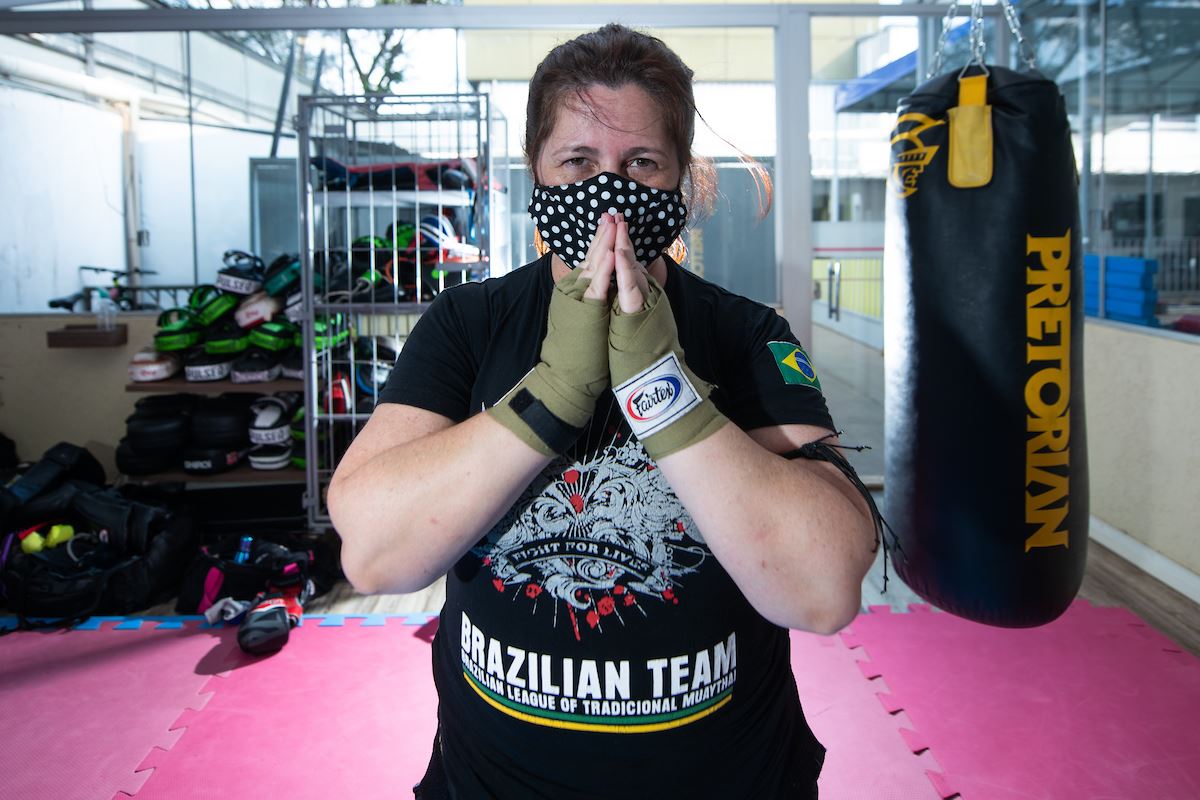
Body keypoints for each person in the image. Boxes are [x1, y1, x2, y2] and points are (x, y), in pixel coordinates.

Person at [328, 23, 881, 799]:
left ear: (682, 180)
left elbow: (823, 592)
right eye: (579, 163)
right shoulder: (469, 322)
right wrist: (551, 393)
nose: (608, 192)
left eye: (641, 164)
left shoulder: (743, 332)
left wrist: (664, 391)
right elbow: (376, 555)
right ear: (539, 175)